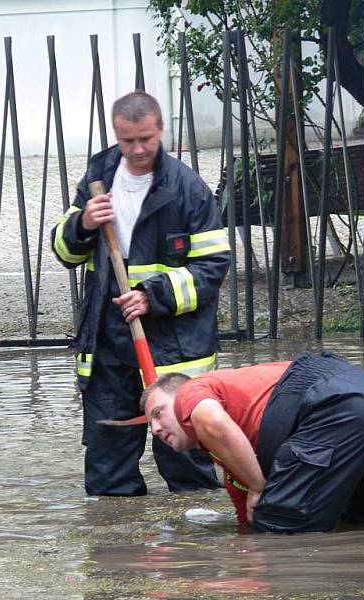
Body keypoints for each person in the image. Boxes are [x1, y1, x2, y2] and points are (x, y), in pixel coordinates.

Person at [51, 91, 231, 496]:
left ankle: (194, 550)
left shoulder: (187, 189)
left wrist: (154, 297)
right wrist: (83, 223)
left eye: (146, 139)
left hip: (174, 345)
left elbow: (213, 267)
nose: (137, 149)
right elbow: (64, 252)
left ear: (161, 130)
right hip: (109, 340)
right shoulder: (98, 177)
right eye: (128, 140)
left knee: (186, 460)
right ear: (116, 133)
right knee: (108, 458)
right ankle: (116, 550)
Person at [141, 352, 364, 533]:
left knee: (279, 531)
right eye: (150, 424)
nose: (155, 429)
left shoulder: (191, 390)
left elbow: (213, 423)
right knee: (360, 528)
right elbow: (248, 526)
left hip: (341, 406)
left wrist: (258, 487)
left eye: (157, 413)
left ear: (177, 398)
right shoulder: (234, 464)